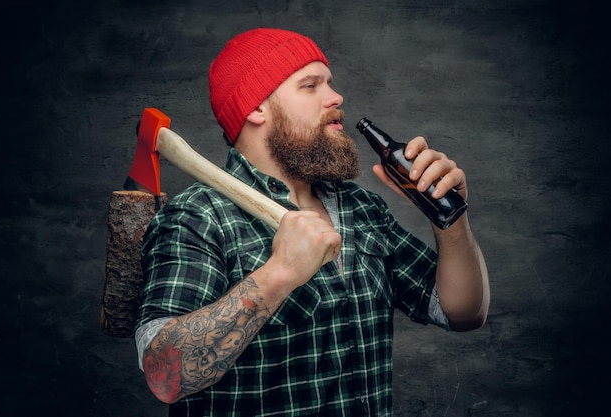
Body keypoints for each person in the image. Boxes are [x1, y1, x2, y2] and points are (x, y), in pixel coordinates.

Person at [134, 28, 490, 416]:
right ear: (256, 108)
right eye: (310, 85)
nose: (336, 97)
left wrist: (450, 217)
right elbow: (163, 376)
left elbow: (462, 313)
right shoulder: (198, 216)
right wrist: (280, 273)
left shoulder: (363, 209)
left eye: (330, 83)